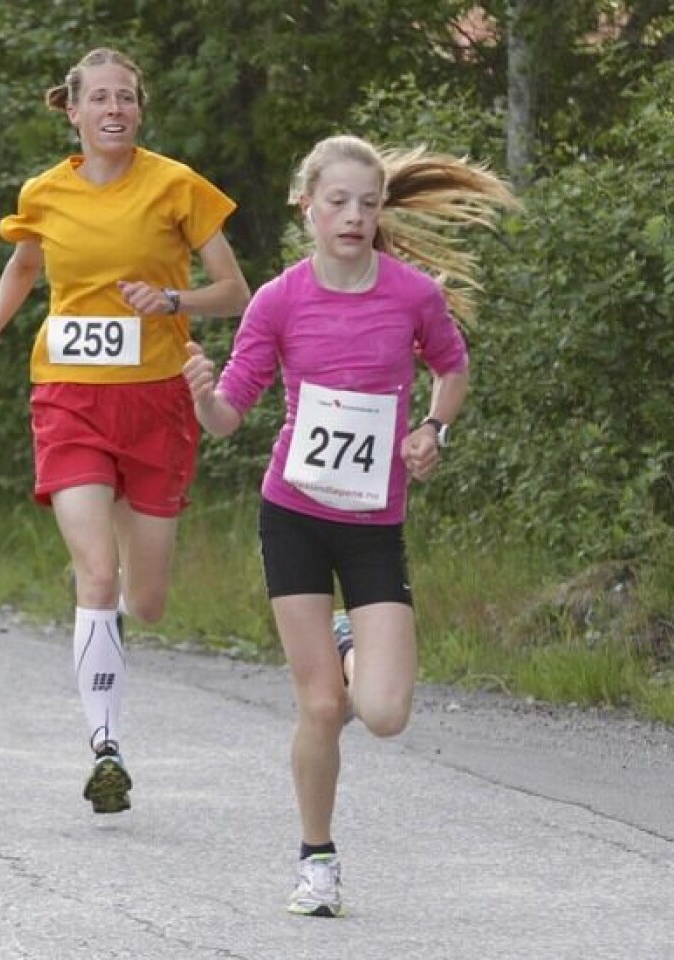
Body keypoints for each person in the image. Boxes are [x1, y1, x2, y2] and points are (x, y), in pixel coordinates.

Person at [183, 134, 518, 915]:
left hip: (374, 525)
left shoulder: (411, 296)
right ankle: (317, 860)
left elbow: (453, 367)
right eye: (338, 201)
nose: (354, 216)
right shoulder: (278, 300)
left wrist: (433, 430)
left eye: (368, 203)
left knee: (386, 713)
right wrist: (201, 392)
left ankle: (348, 639)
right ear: (308, 206)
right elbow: (231, 415)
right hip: (293, 517)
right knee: (323, 709)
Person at [0, 48, 250, 816]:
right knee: (97, 574)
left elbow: (236, 292)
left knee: (145, 600)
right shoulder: (45, 192)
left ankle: (109, 623)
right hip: (70, 396)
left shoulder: (176, 185)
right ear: (74, 112)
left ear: (140, 111)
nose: (114, 109)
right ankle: (106, 746)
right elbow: (25, 267)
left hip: (155, 405)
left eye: (127, 98)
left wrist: (173, 302)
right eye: (100, 99)